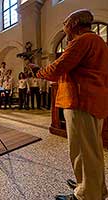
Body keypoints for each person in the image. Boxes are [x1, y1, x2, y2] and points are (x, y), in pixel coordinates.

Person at [35, 9, 108, 200]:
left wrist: (39, 71)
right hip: (93, 100)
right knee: (93, 150)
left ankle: (85, 194)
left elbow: (58, 67)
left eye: (65, 24)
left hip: (80, 101)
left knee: (83, 150)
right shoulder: (98, 41)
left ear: (73, 24)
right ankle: (93, 187)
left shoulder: (82, 41)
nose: (64, 29)